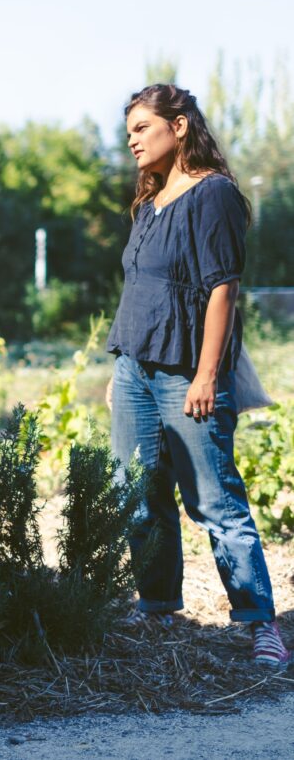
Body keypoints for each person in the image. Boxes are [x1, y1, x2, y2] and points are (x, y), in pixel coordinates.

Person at [107, 83, 290, 667]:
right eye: (129, 130)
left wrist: (207, 375)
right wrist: (121, 365)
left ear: (179, 125)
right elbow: (138, 286)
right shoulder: (150, 201)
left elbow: (222, 291)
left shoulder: (214, 196)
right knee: (138, 493)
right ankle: (158, 607)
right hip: (135, 367)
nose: (132, 140)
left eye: (142, 127)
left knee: (215, 501)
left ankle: (262, 625)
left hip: (187, 373)